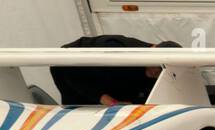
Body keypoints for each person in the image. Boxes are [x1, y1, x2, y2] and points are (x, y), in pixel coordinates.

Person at [50, 36, 182, 106]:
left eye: (161, 71)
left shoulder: (153, 71)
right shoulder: (117, 49)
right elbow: (65, 67)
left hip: (110, 82)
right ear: (153, 50)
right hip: (70, 70)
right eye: (156, 66)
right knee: (84, 111)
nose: (155, 72)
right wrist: (109, 101)